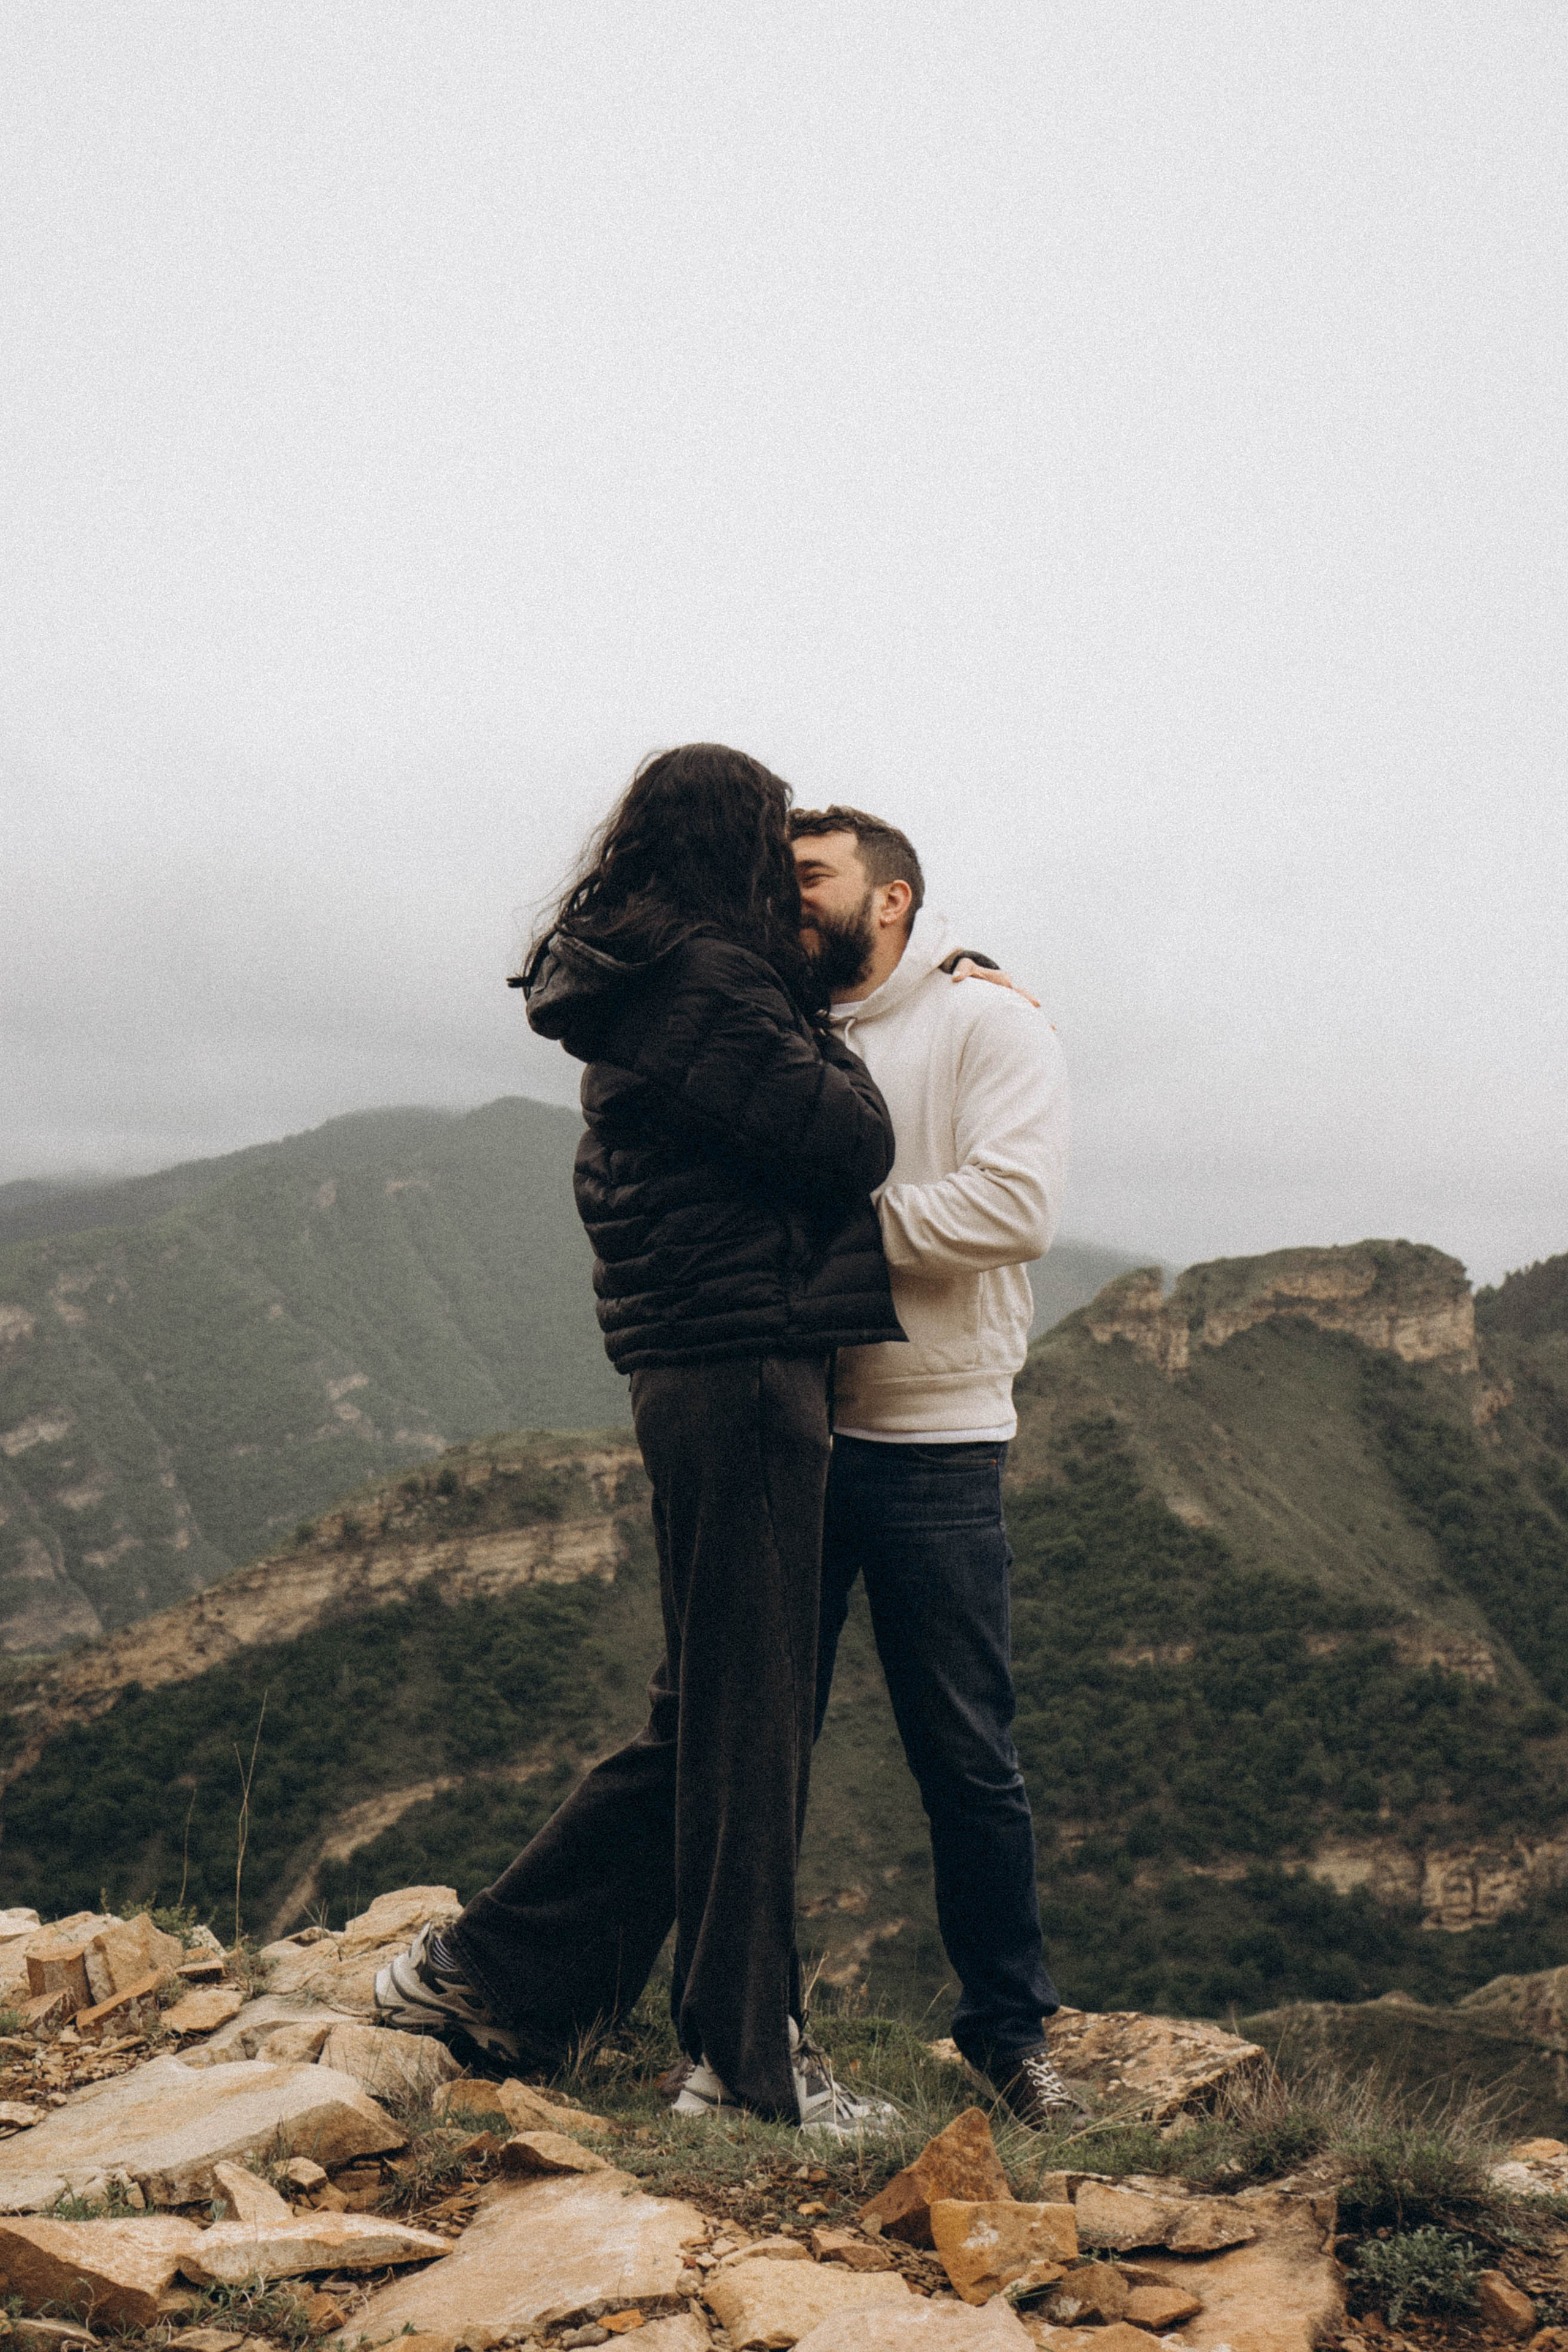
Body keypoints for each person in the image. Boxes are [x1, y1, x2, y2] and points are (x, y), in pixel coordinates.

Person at [375, 747, 905, 2131]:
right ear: (727, 846)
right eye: (771, 852)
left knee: (712, 1710)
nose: (784, 883)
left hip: (699, 1365)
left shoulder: (649, 979)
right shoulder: (711, 986)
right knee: (748, 1721)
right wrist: (826, 1024)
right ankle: (743, 2068)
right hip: (742, 1369)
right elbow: (850, 1142)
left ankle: (492, 1975)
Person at [789, 805, 1080, 2125]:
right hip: (787, 1428)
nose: (787, 901)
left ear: (892, 899)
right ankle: (754, 2022)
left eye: (811, 879)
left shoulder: (985, 1023)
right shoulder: (781, 1024)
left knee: (962, 1753)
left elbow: (1013, 1206)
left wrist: (828, 1229)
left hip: (932, 1439)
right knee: (758, 1744)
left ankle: (1007, 2036)